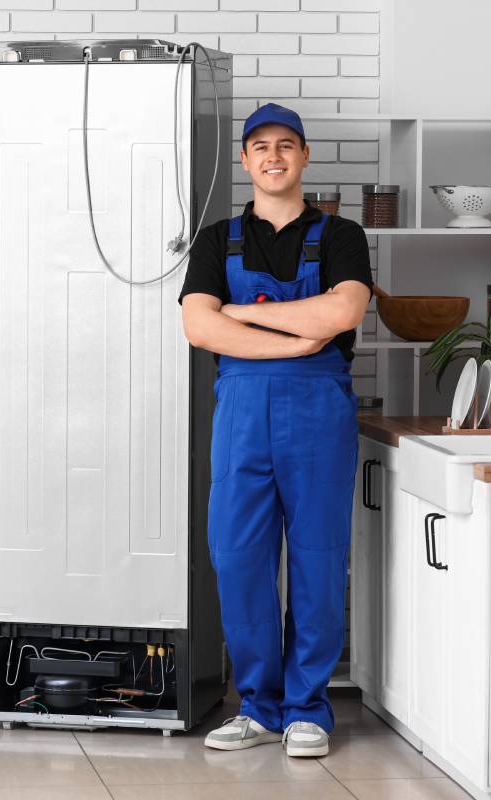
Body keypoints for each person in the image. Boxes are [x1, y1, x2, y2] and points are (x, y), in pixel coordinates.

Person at [179, 103, 372, 757]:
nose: (273, 156)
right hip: (240, 414)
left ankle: (307, 710)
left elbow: (344, 310)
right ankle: (259, 707)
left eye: (286, 145)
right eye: (260, 146)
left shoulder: (342, 235)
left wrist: (243, 313)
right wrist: (297, 335)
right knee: (238, 559)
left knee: (317, 558)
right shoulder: (216, 240)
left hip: (319, 414)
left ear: (304, 156)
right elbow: (200, 327)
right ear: (245, 160)